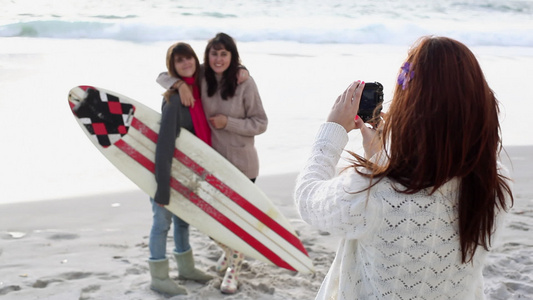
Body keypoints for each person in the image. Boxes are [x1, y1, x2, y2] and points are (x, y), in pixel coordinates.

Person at [294, 36, 514, 299]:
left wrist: (333, 131)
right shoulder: (494, 184)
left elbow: (308, 199)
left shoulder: (371, 192)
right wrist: (381, 156)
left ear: (410, 106)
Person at [157, 32, 268, 294]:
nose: (218, 59)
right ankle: (232, 253)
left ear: (233, 57)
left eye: (224, 54)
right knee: (212, 222)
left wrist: (227, 123)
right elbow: (166, 74)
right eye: (214, 53)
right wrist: (180, 85)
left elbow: (260, 123)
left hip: (242, 165)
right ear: (207, 56)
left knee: (234, 221)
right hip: (212, 166)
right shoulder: (202, 78)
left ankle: (233, 268)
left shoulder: (244, 83)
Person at [148, 42, 213, 296]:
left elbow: (225, 67)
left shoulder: (200, 91)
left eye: (189, 59)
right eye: (179, 61)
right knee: (161, 223)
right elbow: (164, 145)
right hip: (166, 172)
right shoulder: (175, 101)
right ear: (172, 67)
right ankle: (159, 277)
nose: (186, 64)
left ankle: (186, 269)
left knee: (183, 222)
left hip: (186, 173)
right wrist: (162, 187)